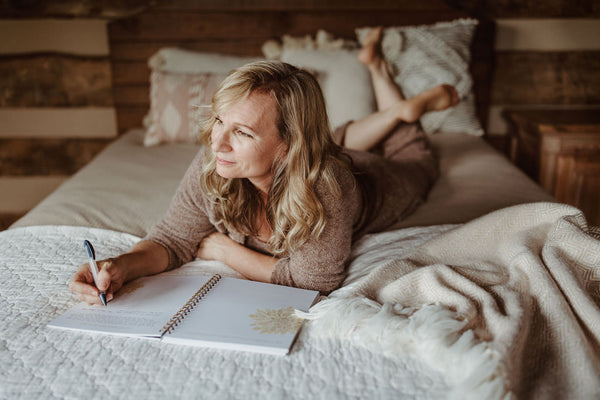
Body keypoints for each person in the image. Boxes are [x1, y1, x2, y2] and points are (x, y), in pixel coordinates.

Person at [69, 28, 458, 303]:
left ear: (287, 146)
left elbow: (312, 280)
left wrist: (227, 252)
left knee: (412, 153)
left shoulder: (327, 184)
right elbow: (172, 241)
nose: (215, 142)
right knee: (334, 138)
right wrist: (120, 267)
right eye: (219, 120)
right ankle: (387, 106)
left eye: (242, 132)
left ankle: (400, 101)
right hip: (313, 150)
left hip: (376, 177)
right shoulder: (218, 160)